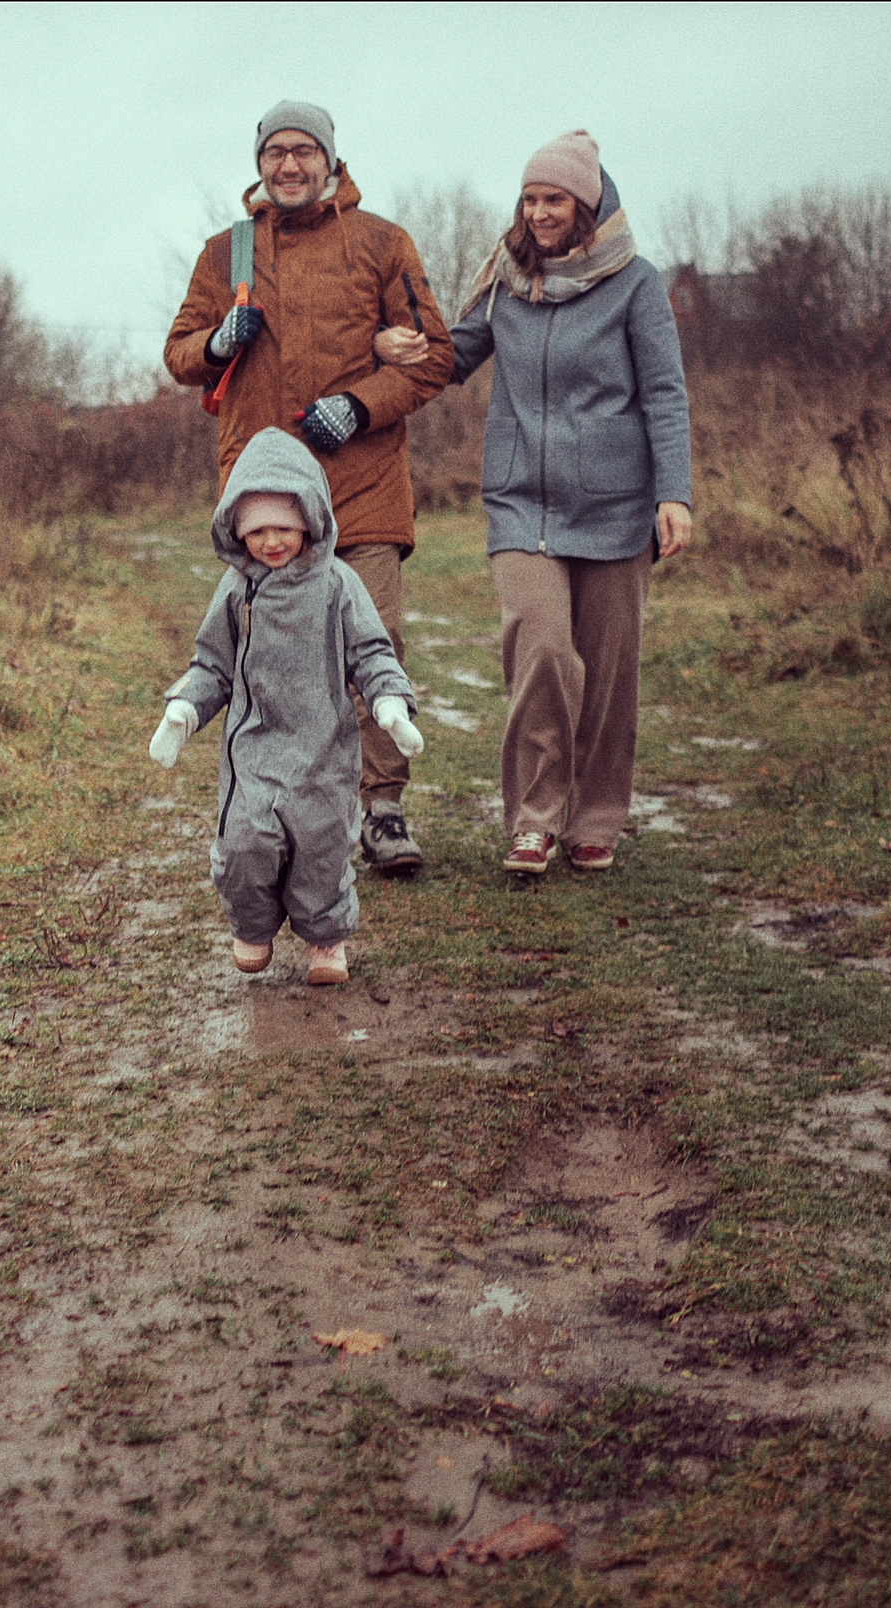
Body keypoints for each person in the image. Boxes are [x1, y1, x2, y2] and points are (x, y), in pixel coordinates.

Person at [377, 130, 691, 876]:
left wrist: (673, 493)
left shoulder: (636, 283)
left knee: (610, 674)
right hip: (524, 503)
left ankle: (596, 819)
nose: (540, 212)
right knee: (542, 647)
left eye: (555, 198)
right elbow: (456, 357)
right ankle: (534, 819)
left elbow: (665, 395)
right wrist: (403, 347)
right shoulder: (507, 283)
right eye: (530, 198)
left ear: (587, 205)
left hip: (618, 505)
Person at [165, 100, 453, 876]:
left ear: (332, 160)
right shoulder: (225, 253)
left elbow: (433, 357)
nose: (289, 165)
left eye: (304, 151)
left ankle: (384, 809)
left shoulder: (383, 244)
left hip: (360, 485)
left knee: (376, 640)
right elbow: (179, 351)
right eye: (275, 152)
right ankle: (277, 811)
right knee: (268, 661)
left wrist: (358, 403)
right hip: (265, 496)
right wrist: (216, 340)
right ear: (259, 164)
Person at [149, 428, 423, 987]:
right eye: (257, 531)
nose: (272, 542)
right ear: (236, 531)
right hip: (254, 749)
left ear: (309, 520)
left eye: (284, 527)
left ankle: (324, 939)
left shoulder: (339, 586)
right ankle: (253, 925)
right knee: (246, 842)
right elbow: (212, 665)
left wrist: (390, 701)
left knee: (320, 847)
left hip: (323, 749)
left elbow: (371, 652)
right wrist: (182, 711)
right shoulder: (235, 591)